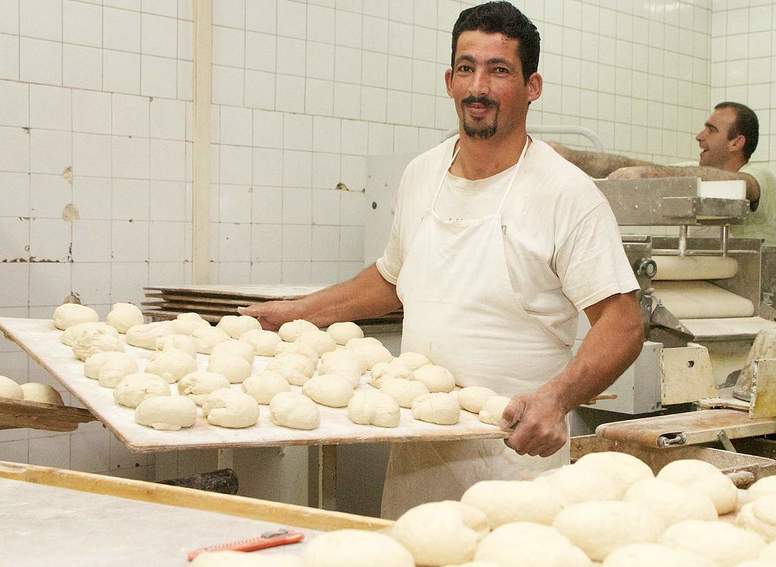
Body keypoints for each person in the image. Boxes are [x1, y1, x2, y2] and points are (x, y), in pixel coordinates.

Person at [241, 1, 643, 519]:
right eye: (467, 68)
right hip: (420, 449)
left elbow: (623, 322)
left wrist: (556, 399)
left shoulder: (566, 192)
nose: (479, 87)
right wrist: (297, 312)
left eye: (499, 71)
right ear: (449, 80)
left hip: (513, 456)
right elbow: (392, 278)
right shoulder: (422, 173)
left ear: (532, 87)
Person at [552, 102, 776, 245]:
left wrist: (651, 174)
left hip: (748, 288)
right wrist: (571, 156)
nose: (700, 136)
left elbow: (740, 185)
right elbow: (633, 164)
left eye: (711, 130)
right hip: (702, 282)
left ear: (736, 142)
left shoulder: (760, 176)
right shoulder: (696, 172)